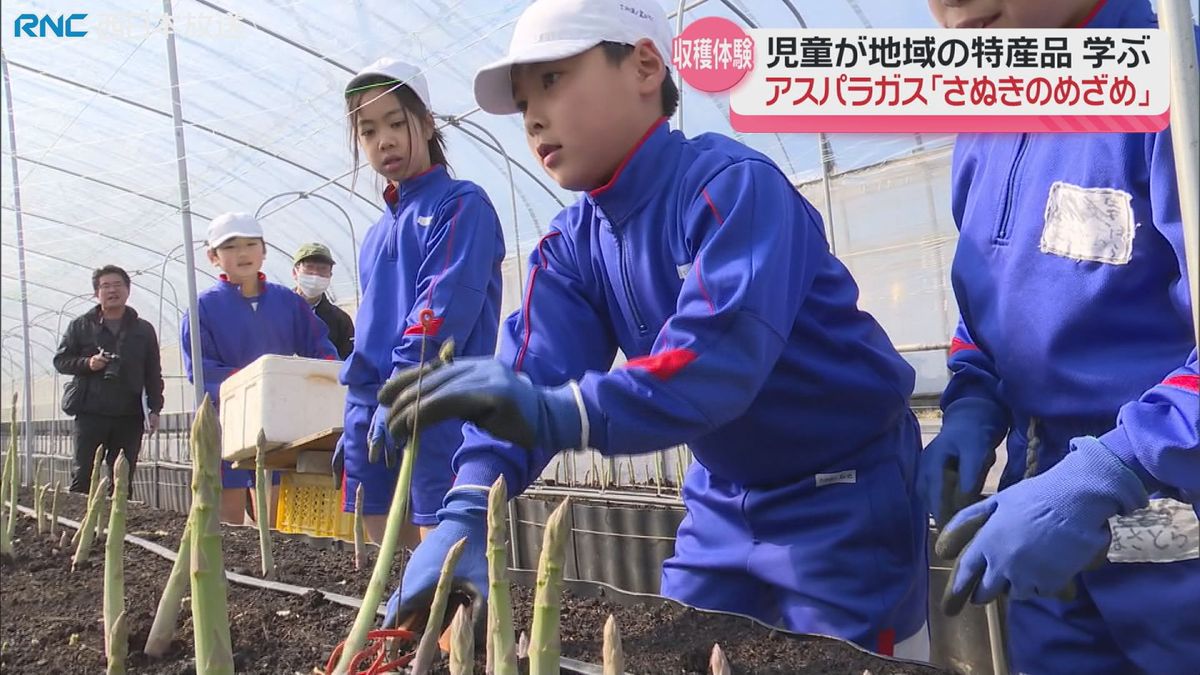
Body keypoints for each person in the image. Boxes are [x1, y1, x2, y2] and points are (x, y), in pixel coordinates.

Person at [375, 0, 930, 658]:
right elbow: (530, 372)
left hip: (842, 498)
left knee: (840, 661)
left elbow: (711, 367)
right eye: (523, 101)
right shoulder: (573, 245)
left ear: (643, 65)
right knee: (677, 650)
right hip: (722, 500)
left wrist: (557, 413)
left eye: (552, 80)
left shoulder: (730, 190)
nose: (533, 118)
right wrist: (467, 504)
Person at [918, 1, 1199, 672]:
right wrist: (973, 407)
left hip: (1179, 569)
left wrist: (1113, 470)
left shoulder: (1172, 85)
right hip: (1047, 560)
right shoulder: (988, 120)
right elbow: (988, 312)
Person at [334, 57, 506, 546]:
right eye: (367, 131)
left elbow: (441, 309)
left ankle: (458, 626)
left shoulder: (459, 204)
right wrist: (356, 410)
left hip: (434, 398)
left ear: (428, 123)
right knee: (382, 539)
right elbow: (370, 326)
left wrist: (399, 390)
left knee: (441, 539)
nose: (382, 140)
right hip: (372, 405)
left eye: (395, 122)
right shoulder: (375, 234)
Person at [182, 212, 338, 525]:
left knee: (276, 509)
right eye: (230, 247)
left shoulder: (287, 303)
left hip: (281, 418)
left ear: (264, 251)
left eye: (251, 244)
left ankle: (272, 564)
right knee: (228, 514)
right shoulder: (203, 308)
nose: (242, 253)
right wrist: (250, 388)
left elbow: (320, 348)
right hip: (227, 420)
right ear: (213, 257)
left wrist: (325, 378)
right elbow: (201, 370)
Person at [53, 264, 164, 497]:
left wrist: (154, 408)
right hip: (90, 412)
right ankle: (82, 527)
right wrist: (88, 363)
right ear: (96, 293)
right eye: (105, 286)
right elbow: (61, 361)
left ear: (127, 290)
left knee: (122, 476)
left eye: (117, 285)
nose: (112, 291)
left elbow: (153, 372)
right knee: (84, 473)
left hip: (129, 414)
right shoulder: (81, 326)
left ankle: (119, 528)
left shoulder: (143, 330)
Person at [292, 242, 355, 360]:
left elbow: (347, 360)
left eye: (323, 269)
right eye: (309, 267)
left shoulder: (340, 320)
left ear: (330, 275)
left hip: (322, 377)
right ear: (295, 272)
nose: (315, 274)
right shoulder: (278, 309)